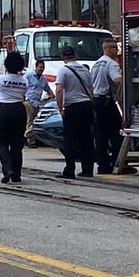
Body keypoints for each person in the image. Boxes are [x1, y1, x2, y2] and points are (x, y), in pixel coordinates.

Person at [54, 46, 95, 179]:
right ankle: (87, 169)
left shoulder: (64, 71)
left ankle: (69, 170)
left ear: (62, 57)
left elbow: (59, 90)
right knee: (87, 138)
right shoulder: (84, 69)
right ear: (75, 55)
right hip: (86, 105)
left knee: (70, 139)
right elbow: (90, 90)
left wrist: (60, 108)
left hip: (72, 106)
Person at [0, 52, 29, 184]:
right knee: (17, 144)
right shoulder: (24, 81)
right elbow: (25, 95)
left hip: (4, 110)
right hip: (19, 110)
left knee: (1, 142)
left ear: (7, 65)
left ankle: (7, 169)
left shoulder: (0, 79)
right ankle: (17, 174)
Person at [90, 39, 124, 174]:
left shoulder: (96, 63)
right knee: (115, 134)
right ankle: (117, 163)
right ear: (109, 49)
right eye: (115, 48)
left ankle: (102, 165)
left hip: (96, 101)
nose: (117, 51)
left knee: (100, 135)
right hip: (108, 102)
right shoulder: (112, 64)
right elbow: (117, 80)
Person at [24, 59, 52, 147]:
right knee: (30, 120)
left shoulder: (43, 80)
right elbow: (22, 85)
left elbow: (49, 91)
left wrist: (47, 98)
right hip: (29, 101)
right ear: (36, 67)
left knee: (35, 121)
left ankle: (29, 137)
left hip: (37, 103)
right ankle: (30, 139)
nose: (41, 69)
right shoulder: (29, 75)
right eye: (40, 67)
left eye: (43, 67)